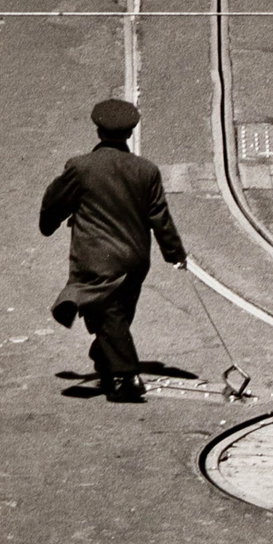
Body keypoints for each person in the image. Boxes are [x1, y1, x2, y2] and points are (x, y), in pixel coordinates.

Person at [39, 99, 186, 404]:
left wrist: (49, 223)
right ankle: (107, 360)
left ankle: (125, 377)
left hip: (96, 258)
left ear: (98, 130)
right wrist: (174, 254)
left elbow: (55, 201)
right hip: (134, 258)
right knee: (116, 313)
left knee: (108, 315)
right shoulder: (147, 170)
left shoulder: (81, 167)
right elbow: (160, 216)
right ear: (131, 132)